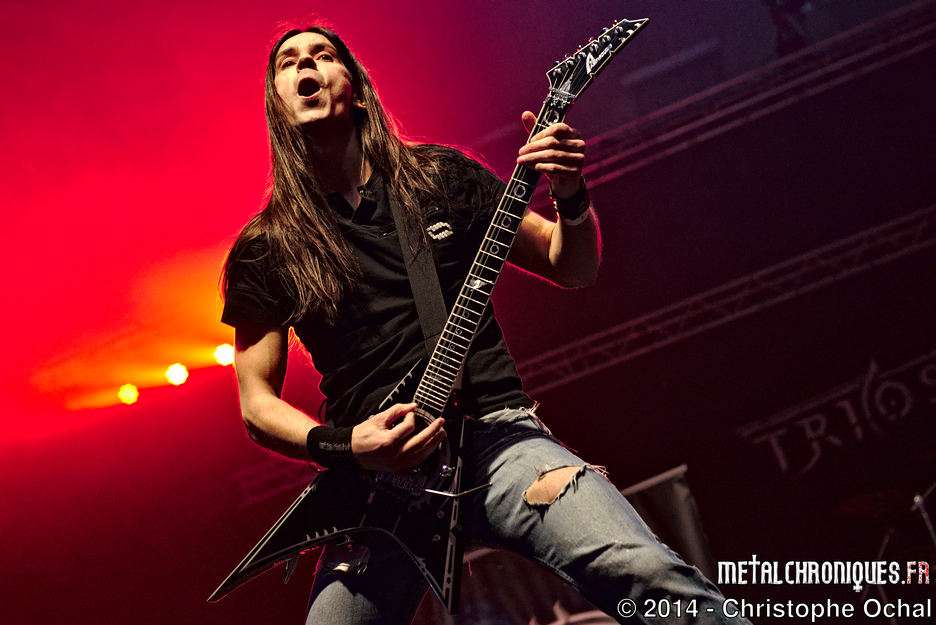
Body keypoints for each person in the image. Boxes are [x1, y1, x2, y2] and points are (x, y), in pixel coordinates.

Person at [221, 23, 751, 625]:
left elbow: (571, 265)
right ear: (277, 104)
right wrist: (349, 445)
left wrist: (571, 194)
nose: (305, 66)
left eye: (322, 55)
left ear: (359, 91)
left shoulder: (440, 178)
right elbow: (256, 404)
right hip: (378, 483)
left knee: (646, 574)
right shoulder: (268, 247)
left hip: (497, 439)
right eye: (288, 62)